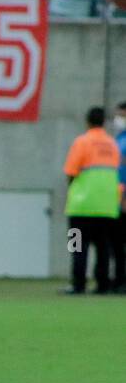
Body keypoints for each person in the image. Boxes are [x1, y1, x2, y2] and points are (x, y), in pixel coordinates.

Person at [62, 106, 122, 295]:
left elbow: (71, 172)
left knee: (77, 246)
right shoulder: (113, 144)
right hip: (106, 207)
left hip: (80, 207)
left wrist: (73, 190)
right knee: (103, 248)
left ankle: (78, 284)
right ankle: (102, 285)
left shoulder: (82, 142)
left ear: (87, 121)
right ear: (104, 122)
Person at [112, 101, 126, 292]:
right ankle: (118, 280)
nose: (119, 120)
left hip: (122, 199)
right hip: (113, 201)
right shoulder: (116, 140)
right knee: (116, 245)